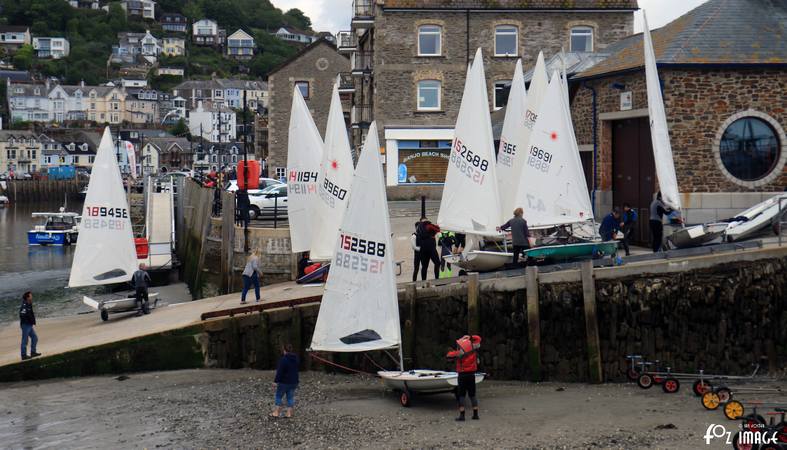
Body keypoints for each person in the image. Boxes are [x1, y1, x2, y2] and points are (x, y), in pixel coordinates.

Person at [446, 334, 482, 421]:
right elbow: (478, 339)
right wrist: (470, 337)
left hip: (462, 375)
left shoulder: (459, 352)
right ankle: (475, 414)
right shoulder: (474, 349)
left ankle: (462, 415)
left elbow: (448, 355)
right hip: (471, 375)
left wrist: (462, 340)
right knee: (472, 395)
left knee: (461, 395)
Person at [271, 343, 299, 418]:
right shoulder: (296, 359)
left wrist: (275, 381)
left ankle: (276, 412)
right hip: (294, 382)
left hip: (284, 382)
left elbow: (280, 372)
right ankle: (289, 413)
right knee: (290, 397)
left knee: (278, 396)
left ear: (284, 350)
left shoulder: (283, 360)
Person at [19, 291, 40, 361]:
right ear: (27, 297)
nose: (32, 297)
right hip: (25, 325)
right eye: (31, 295)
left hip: (29, 325)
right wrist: (28, 321)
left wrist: (32, 322)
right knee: (25, 340)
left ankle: (33, 352)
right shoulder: (24, 305)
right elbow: (22, 314)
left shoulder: (29, 304)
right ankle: (23, 355)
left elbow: (30, 314)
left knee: (35, 338)